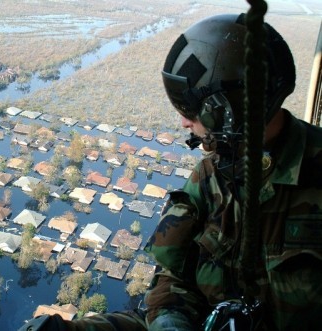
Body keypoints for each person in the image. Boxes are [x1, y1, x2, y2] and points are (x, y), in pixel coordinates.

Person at [19, 13, 322, 331]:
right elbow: (170, 276)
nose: (184, 124)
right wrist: (171, 323)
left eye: (190, 112)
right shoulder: (211, 175)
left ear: (224, 111)